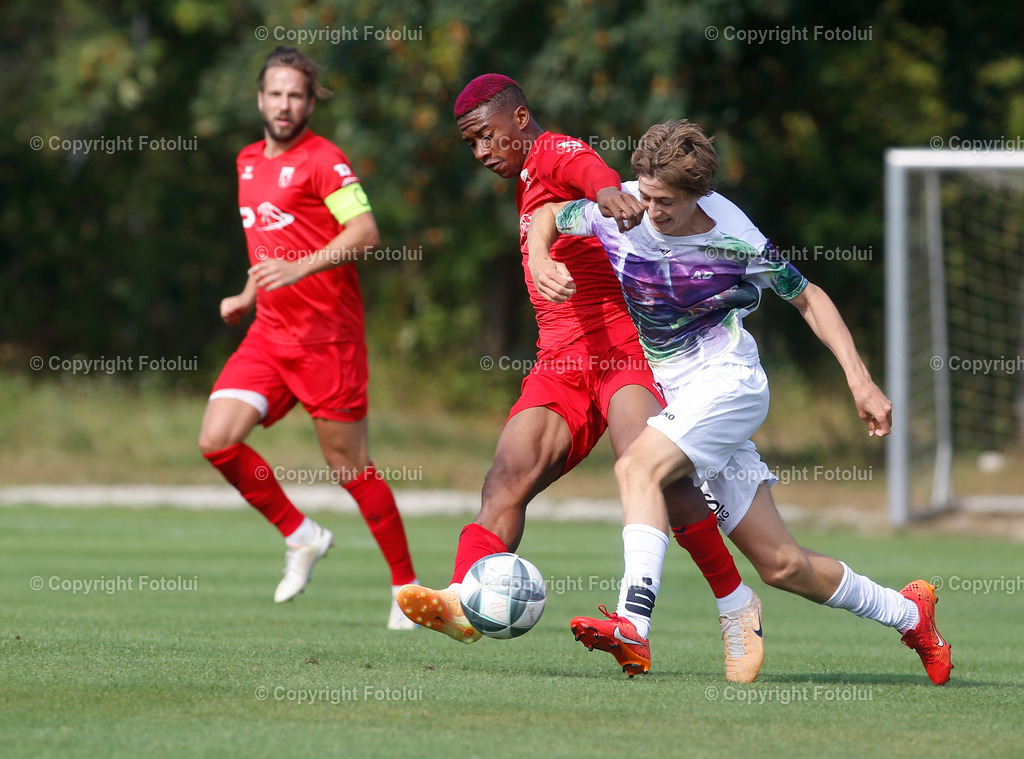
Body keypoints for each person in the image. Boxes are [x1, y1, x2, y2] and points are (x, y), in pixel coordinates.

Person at [526, 119, 952, 685]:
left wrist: (860, 380)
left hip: (729, 383)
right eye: (645, 194)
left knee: (636, 467)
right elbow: (547, 215)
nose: (651, 211)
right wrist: (538, 257)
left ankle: (632, 623)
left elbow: (809, 298)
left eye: (667, 202)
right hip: (682, 394)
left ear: (699, 194)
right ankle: (909, 614)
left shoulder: (735, 237)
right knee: (781, 565)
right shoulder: (622, 209)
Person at [397, 74, 765, 682]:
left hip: (623, 352)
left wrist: (610, 195)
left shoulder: (551, 152)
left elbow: (587, 168)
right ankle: (465, 601)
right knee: (505, 478)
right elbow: (558, 213)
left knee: (662, 480)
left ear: (519, 119)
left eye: (487, 137)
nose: (482, 152)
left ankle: (735, 605)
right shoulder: (523, 181)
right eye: (470, 144)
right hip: (560, 364)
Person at [197, 46, 417, 629]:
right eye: (276, 93)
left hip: (328, 340)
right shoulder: (246, 161)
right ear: (260, 99)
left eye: (297, 94)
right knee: (217, 441)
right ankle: (301, 535)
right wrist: (248, 295)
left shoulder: (325, 161)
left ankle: (406, 589)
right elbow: (269, 243)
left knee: (350, 467)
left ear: (311, 100)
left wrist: (298, 269)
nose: (285, 104)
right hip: (270, 334)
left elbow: (365, 232)